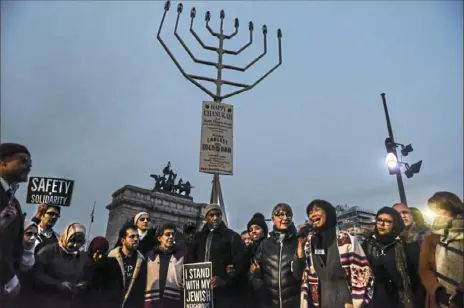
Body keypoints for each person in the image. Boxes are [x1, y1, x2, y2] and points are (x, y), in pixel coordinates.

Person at [295, 199, 374, 308]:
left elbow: (363, 273)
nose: (312, 215)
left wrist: (357, 303)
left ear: (328, 213)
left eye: (316, 210)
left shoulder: (345, 239)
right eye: (310, 213)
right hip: (321, 301)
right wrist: (300, 246)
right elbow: (298, 273)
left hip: (346, 301)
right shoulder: (310, 243)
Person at [186, 203, 245, 308]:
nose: (215, 218)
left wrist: (224, 281)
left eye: (218, 215)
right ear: (206, 217)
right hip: (199, 294)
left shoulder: (232, 237)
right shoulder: (197, 238)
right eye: (211, 215)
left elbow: (240, 265)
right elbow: (189, 261)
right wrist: (186, 279)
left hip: (223, 294)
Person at [250, 203, 301, 308]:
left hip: (294, 302)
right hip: (270, 302)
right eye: (281, 215)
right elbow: (253, 273)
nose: (285, 218)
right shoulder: (265, 245)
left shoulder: (298, 242)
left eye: (289, 215)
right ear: (273, 219)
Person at [363, 207, 414, 308]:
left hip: (399, 299)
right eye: (379, 220)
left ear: (395, 224)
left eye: (387, 221)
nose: (382, 224)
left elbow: (413, 275)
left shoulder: (404, 244)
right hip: (374, 298)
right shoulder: (367, 244)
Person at [419, 192, 464, 308]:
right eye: (434, 210)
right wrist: (437, 291)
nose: (437, 214)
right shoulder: (431, 238)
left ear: (453, 208)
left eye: (440, 209)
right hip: (441, 300)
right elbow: (424, 268)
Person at [0, 142, 31, 299]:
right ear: (3, 161)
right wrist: (8, 277)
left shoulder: (14, 202)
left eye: (30, 163)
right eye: (23, 160)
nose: (29, 166)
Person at [34, 222, 89, 308]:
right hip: (46, 301)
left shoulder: (81, 257)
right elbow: (37, 274)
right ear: (66, 236)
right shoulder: (49, 251)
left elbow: (83, 277)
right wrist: (58, 284)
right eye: (72, 240)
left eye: (79, 242)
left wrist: (82, 284)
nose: (75, 245)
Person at [92, 223, 146, 308]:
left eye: (137, 236)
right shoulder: (108, 261)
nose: (136, 239)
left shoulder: (143, 263)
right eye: (132, 236)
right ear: (123, 240)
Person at [393, 203, 430, 307]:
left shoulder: (427, 234)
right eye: (398, 214)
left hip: (429, 291)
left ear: (412, 215)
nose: (403, 216)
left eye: (405, 212)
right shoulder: (392, 241)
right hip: (407, 296)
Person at [145, 223, 184, 308]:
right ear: (159, 238)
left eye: (173, 234)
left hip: (173, 303)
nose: (170, 237)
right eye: (167, 234)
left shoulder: (180, 257)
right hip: (152, 303)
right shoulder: (150, 256)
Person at [3, 219, 38, 308]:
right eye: (29, 234)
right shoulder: (9, 255)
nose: (33, 238)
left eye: (35, 234)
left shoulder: (35, 257)